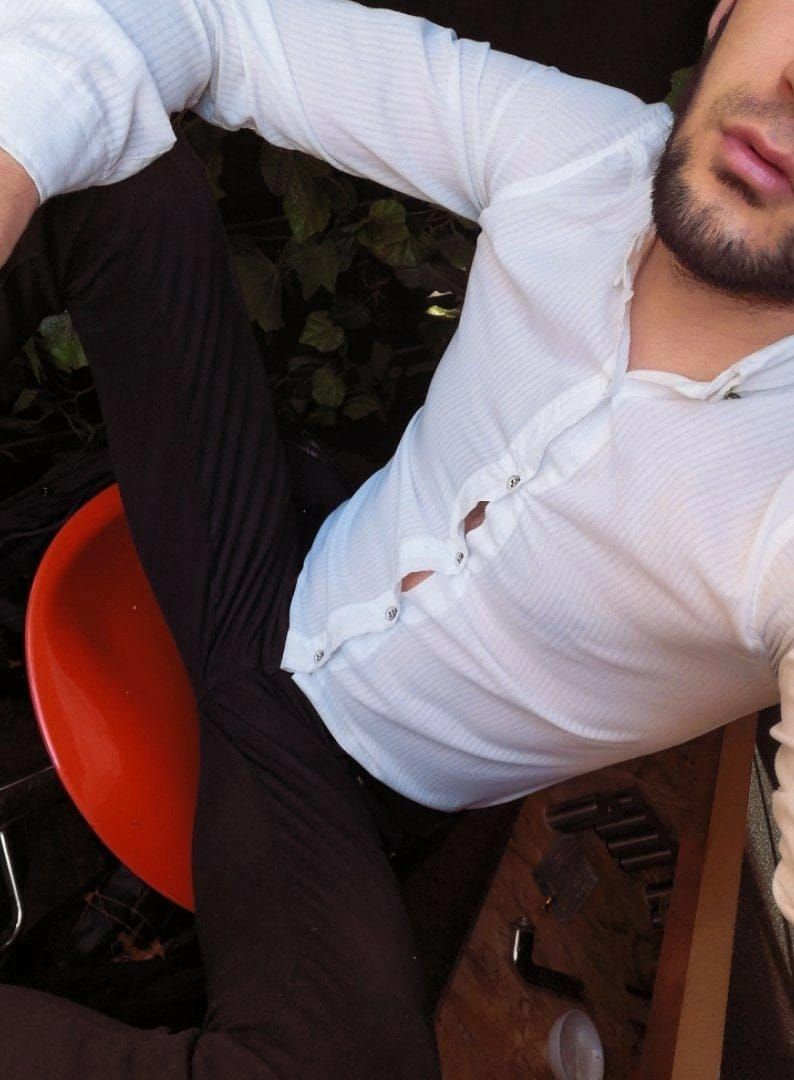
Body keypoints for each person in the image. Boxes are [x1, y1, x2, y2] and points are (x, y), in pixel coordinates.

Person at [1, 0, 793, 1074]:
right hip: (274, 568)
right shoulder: (585, 153)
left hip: (331, 778)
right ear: (728, 10)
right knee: (91, 152)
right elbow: (206, 20)